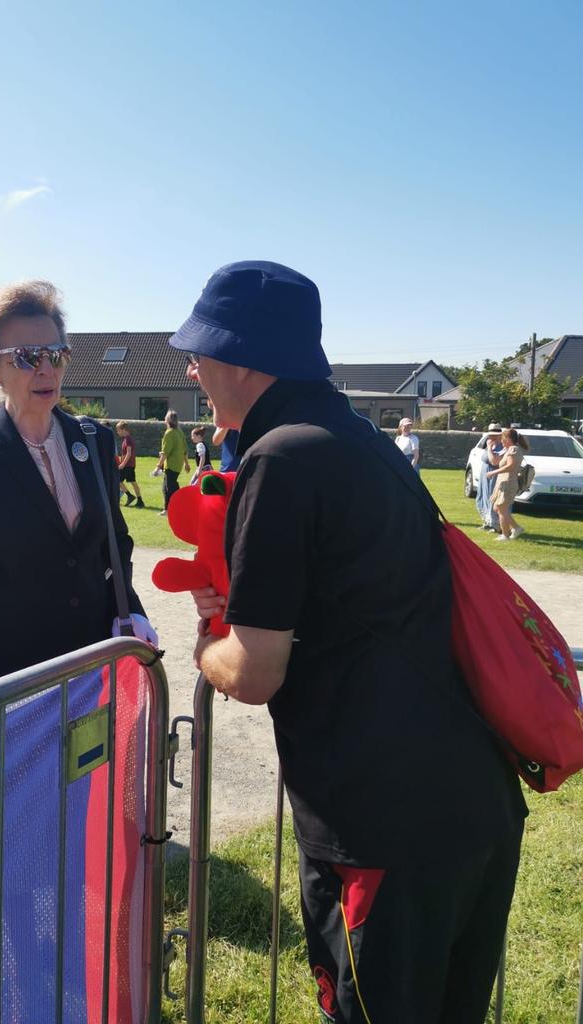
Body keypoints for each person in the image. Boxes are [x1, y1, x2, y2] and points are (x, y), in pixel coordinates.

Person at [171, 260, 526, 1024]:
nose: (193, 370)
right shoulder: (359, 441)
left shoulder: (280, 458)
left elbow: (256, 670)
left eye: (196, 354)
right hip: (471, 805)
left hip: (383, 826)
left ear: (238, 356)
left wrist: (207, 643)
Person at [0, 281, 152, 694]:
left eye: (56, 355)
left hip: (94, 663)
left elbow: (115, 543)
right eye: (27, 357)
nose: (46, 369)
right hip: (12, 675)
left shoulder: (94, 440)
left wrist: (131, 614)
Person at [485, 427, 530, 541]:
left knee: (502, 509)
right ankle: (516, 528)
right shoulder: (510, 449)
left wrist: (493, 472)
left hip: (508, 482)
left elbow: (510, 466)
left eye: (503, 438)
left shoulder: (513, 450)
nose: (502, 441)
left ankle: (505, 535)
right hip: (504, 481)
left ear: (509, 438)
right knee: (498, 508)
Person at [154, 409, 189, 515]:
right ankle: (168, 508)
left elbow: (165, 452)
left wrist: (158, 466)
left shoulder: (169, 433)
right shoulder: (179, 432)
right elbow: (185, 449)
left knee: (170, 488)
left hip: (171, 465)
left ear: (168, 420)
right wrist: (186, 463)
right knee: (167, 486)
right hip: (178, 464)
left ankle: (178, 507)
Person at [475, 422, 503, 531]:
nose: (491, 437)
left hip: (494, 475)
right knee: (482, 497)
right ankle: (487, 521)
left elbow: (494, 461)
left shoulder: (501, 446)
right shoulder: (489, 443)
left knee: (493, 498)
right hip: (485, 475)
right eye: (490, 434)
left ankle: (495, 525)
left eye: (493, 435)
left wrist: (490, 448)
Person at [115, 421, 144, 507]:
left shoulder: (128, 439)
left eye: (118, 430)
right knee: (132, 482)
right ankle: (138, 500)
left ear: (124, 429)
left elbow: (129, 453)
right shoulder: (126, 439)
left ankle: (131, 496)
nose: (118, 432)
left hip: (128, 465)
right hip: (129, 465)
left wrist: (123, 464)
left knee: (118, 480)